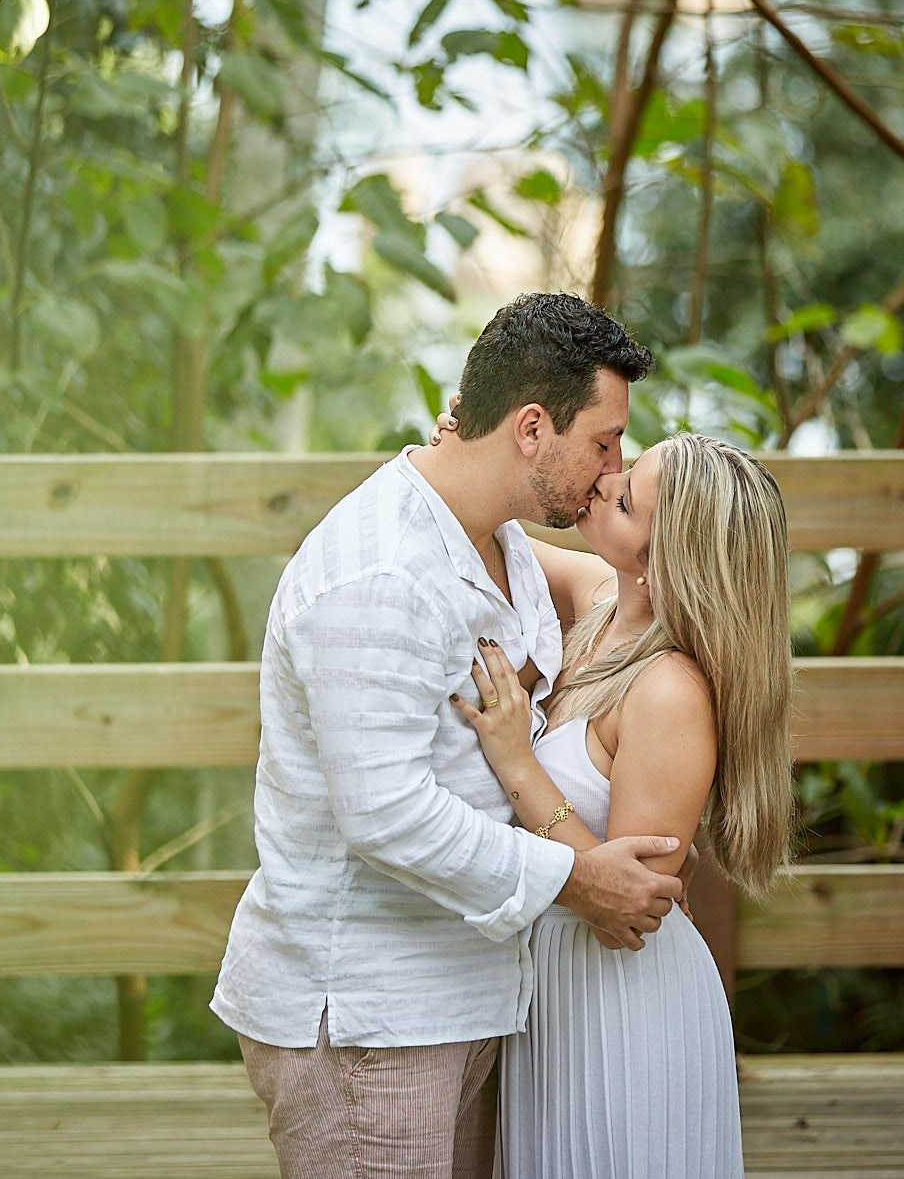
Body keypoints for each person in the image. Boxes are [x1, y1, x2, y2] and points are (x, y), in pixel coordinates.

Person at [211, 293, 690, 1179]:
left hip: (460, 1002)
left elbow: (632, 587)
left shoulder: (492, 535)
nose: (612, 468)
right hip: (366, 1018)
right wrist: (576, 877)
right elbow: (387, 813)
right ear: (533, 428)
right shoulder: (379, 572)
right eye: (604, 441)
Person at [451, 430, 796, 1177]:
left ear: (666, 555)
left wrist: (517, 761)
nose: (604, 482)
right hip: (551, 989)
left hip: (622, 1004)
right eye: (620, 467)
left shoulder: (670, 691)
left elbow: (628, 909)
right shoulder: (603, 601)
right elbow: (473, 520)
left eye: (628, 495)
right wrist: (471, 436)